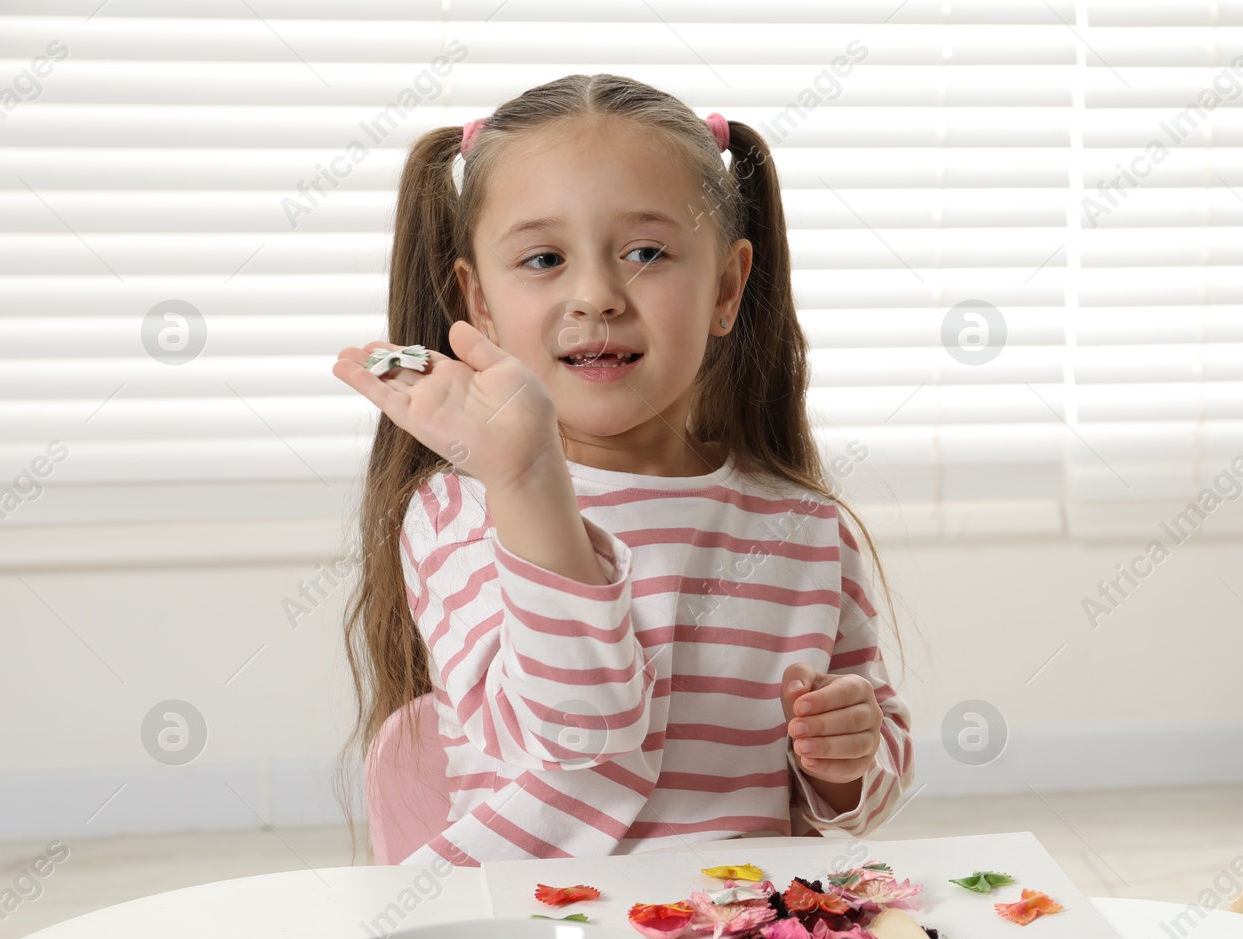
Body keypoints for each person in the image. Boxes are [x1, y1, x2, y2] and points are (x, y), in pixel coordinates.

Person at [332, 73, 913, 864]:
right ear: (481, 302)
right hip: (532, 933)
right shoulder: (459, 510)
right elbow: (576, 729)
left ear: (728, 286)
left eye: (646, 252)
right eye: (543, 258)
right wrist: (527, 475)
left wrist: (845, 758)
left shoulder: (805, 530)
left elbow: (864, 795)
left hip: (737, 931)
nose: (597, 295)